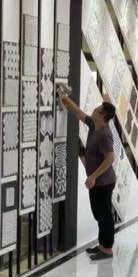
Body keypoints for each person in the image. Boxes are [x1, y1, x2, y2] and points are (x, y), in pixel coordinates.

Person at [58, 87, 118, 260]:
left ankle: (107, 249)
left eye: (98, 110)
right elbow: (79, 113)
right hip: (97, 181)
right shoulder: (94, 124)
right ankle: (102, 245)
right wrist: (65, 99)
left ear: (103, 117)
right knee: (99, 214)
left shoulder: (104, 135)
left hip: (104, 182)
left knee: (104, 215)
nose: (94, 111)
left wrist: (93, 176)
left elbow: (110, 158)